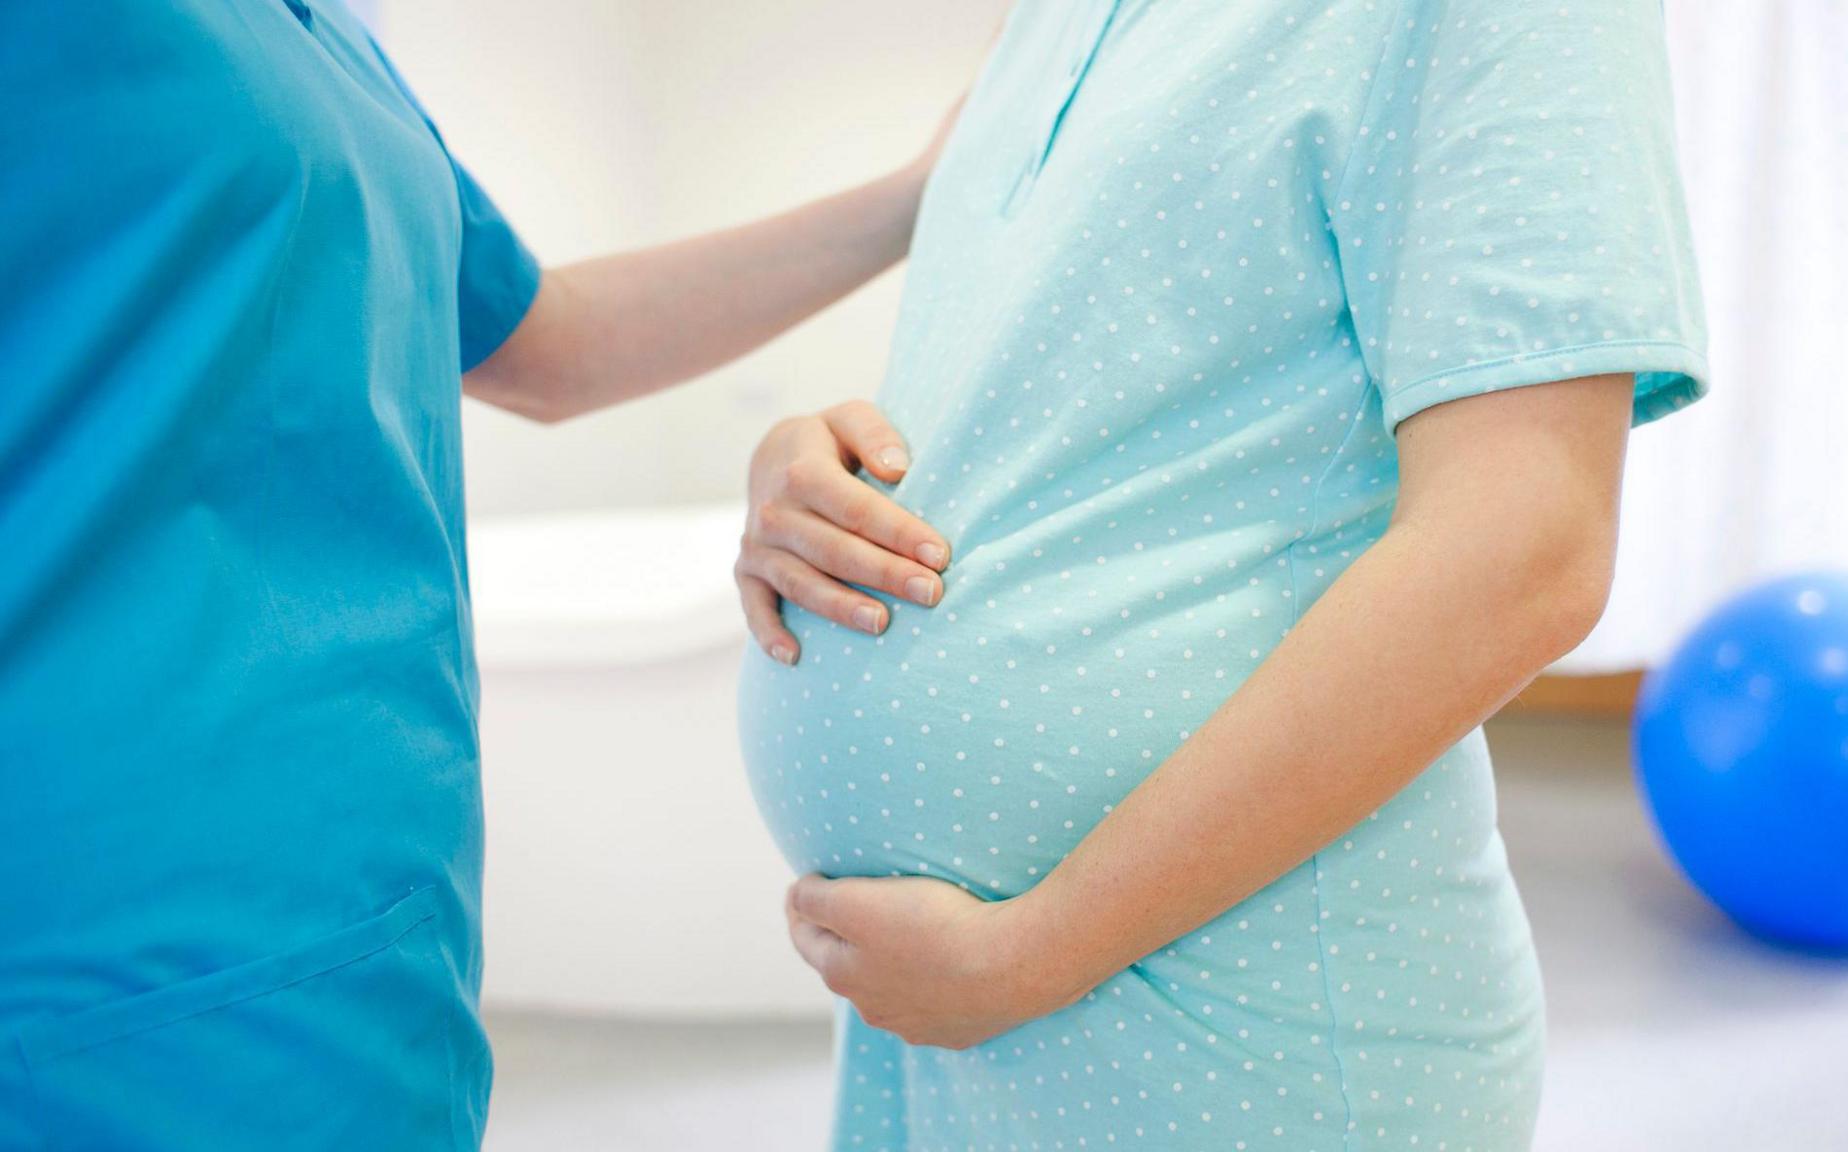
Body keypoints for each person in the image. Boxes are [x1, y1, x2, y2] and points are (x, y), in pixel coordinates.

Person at [738, 1, 1709, 1149]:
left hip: (1234, 1013)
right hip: (941, 1024)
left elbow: (1523, 547)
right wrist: (815, 467)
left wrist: (1032, 950)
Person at [0, 2, 954, 1145]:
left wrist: (914, 195)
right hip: (106, 935)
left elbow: (552, 342)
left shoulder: (326, 43)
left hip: (368, 918)